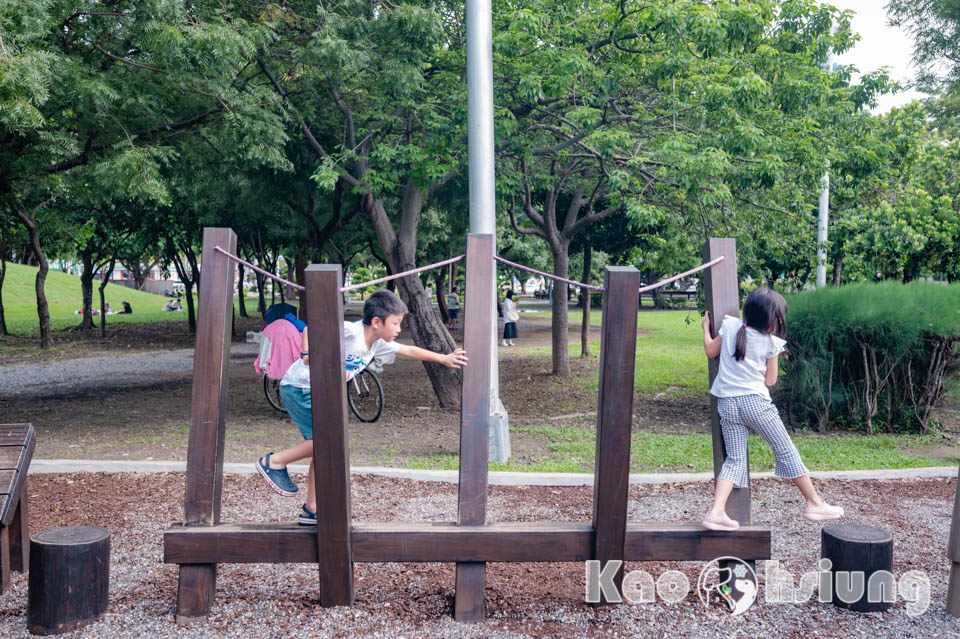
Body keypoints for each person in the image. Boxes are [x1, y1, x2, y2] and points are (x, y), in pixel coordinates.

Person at [255, 289, 468, 525]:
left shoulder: (378, 343)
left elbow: (408, 350)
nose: (399, 329)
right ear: (376, 322)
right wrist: (307, 352)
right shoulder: (351, 331)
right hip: (301, 387)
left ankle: (311, 509)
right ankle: (274, 461)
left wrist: (444, 358)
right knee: (327, 442)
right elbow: (310, 328)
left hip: (320, 391)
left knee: (321, 448)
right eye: (396, 323)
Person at [700, 288, 843, 532]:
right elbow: (770, 381)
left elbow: (711, 351)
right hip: (755, 404)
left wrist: (705, 328)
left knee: (734, 460)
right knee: (786, 450)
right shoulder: (772, 343)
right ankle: (813, 502)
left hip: (727, 403)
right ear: (772, 319)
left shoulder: (731, 326)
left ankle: (716, 512)